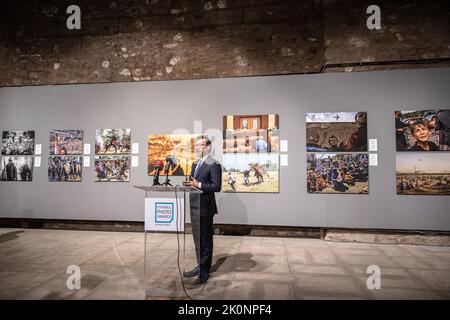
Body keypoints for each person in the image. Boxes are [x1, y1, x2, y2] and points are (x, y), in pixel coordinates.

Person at [183, 136, 222, 284]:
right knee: (197, 240)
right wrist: (189, 184)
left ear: (208, 147)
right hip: (194, 205)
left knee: (205, 240)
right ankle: (200, 266)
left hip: (205, 207)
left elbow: (216, 186)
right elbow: (194, 182)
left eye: (201, 145)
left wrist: (198, 184)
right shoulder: (195, 164)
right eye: (196, 145)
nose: (198, 147)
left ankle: (204, 272)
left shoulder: (214, 164)